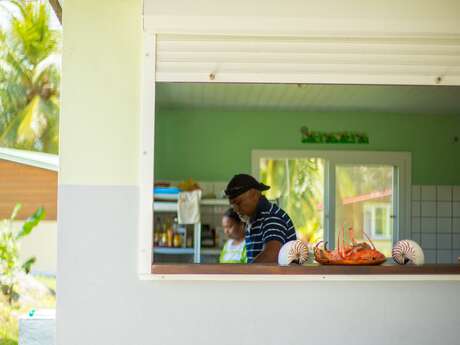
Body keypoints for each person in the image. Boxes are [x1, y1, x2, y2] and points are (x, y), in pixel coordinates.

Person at [224, 173, 297, 263]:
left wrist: (245, 273)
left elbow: (273, 254)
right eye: (233, 205)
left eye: (238, 203)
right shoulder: (253, 219)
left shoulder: (271, 217)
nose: (235, 209)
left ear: (255, 194)